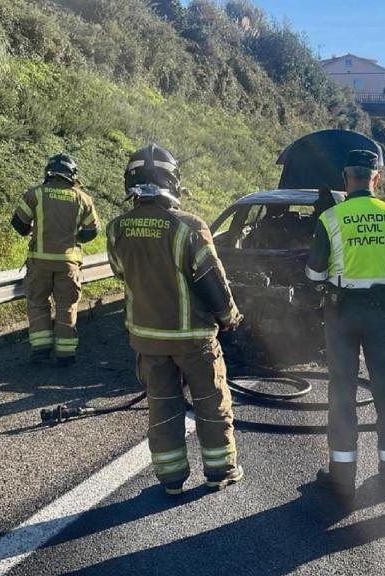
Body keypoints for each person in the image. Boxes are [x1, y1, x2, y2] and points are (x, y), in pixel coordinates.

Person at [106, 143, 244, 496]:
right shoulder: (188, 227)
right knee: (211, 403)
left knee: (162, 408)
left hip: (147, 339)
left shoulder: (117, 228)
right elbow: (211, 279)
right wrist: (230, 316)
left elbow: (121, 273)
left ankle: (170, 479)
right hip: (193, 339)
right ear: (172, 181)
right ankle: (219, 471)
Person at [305, 149, 385, 498]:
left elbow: (314, 273)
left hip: (341, 315)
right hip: (383, 314)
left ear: (345, 178)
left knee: (341, 394)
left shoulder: (331, 218)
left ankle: (342, 475)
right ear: (377, 177)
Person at [11, 153, 99, 366]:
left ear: (48, 173)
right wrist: (74, 237)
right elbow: (92, 231)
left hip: (39, 263)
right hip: (68, 263)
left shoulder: (35, 195)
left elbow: (19, 225)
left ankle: (40, 350)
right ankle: (65, 354)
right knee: (66, 306)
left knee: (37, 303)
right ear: (72, 175)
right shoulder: (82, 198)